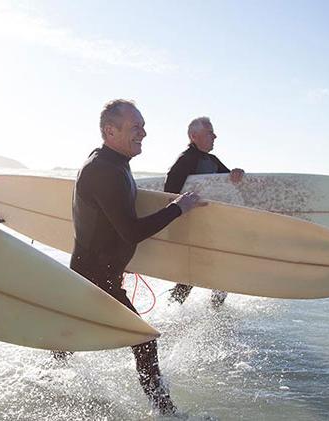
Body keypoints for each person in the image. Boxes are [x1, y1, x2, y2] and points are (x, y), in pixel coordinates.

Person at [67, 99, 205, 415]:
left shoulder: (110, 163)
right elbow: (130, 231)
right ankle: (165, 411)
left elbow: (110, 220)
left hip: (95, 273)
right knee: (144, 339)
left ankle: (53, 368)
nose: (143, 132)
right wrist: (177, 208)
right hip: (95, 278)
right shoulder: (105, 170)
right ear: (110, 131)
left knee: (71, 330)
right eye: (135, 127)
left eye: (142, 125)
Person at [164, 116, 245, 307]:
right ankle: (172, 310)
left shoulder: (212, 160)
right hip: (191, 226)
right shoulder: (186, 160)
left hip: (210, 226)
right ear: (194, 136)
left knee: (219, 270)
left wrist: (236, 174)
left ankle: (215, 312)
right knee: (191, 274)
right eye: (210, 133)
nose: (215, 136)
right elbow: (168, 194)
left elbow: (228, 183)